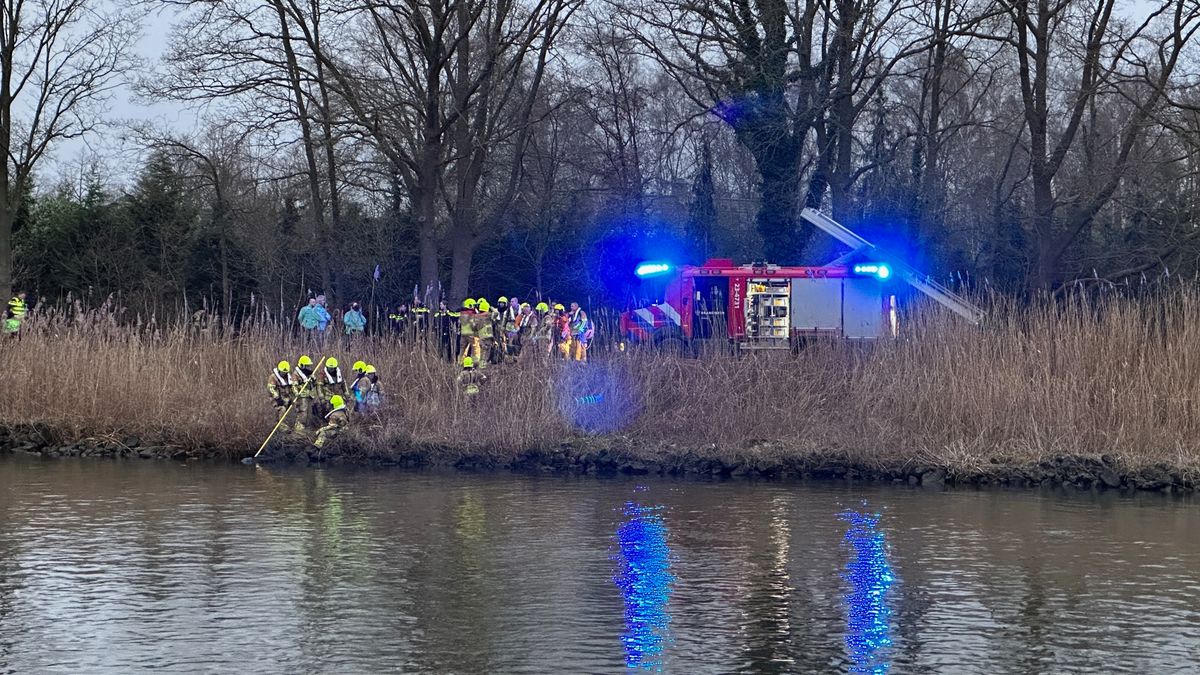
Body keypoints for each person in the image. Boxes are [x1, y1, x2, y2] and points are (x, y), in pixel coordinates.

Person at [293, 355, 317, 431]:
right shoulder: (296, 374)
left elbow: (314, 384)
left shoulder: (309, 373)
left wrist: (313, 379)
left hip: (310, 395)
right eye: (306, 365)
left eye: (308, 365)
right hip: (302, 395)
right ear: (302, 365)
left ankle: (307, 428)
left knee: (309, 412)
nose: (308, 367)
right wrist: (296, 393)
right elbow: (294, 385)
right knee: (303, 412)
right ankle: (299, 428)